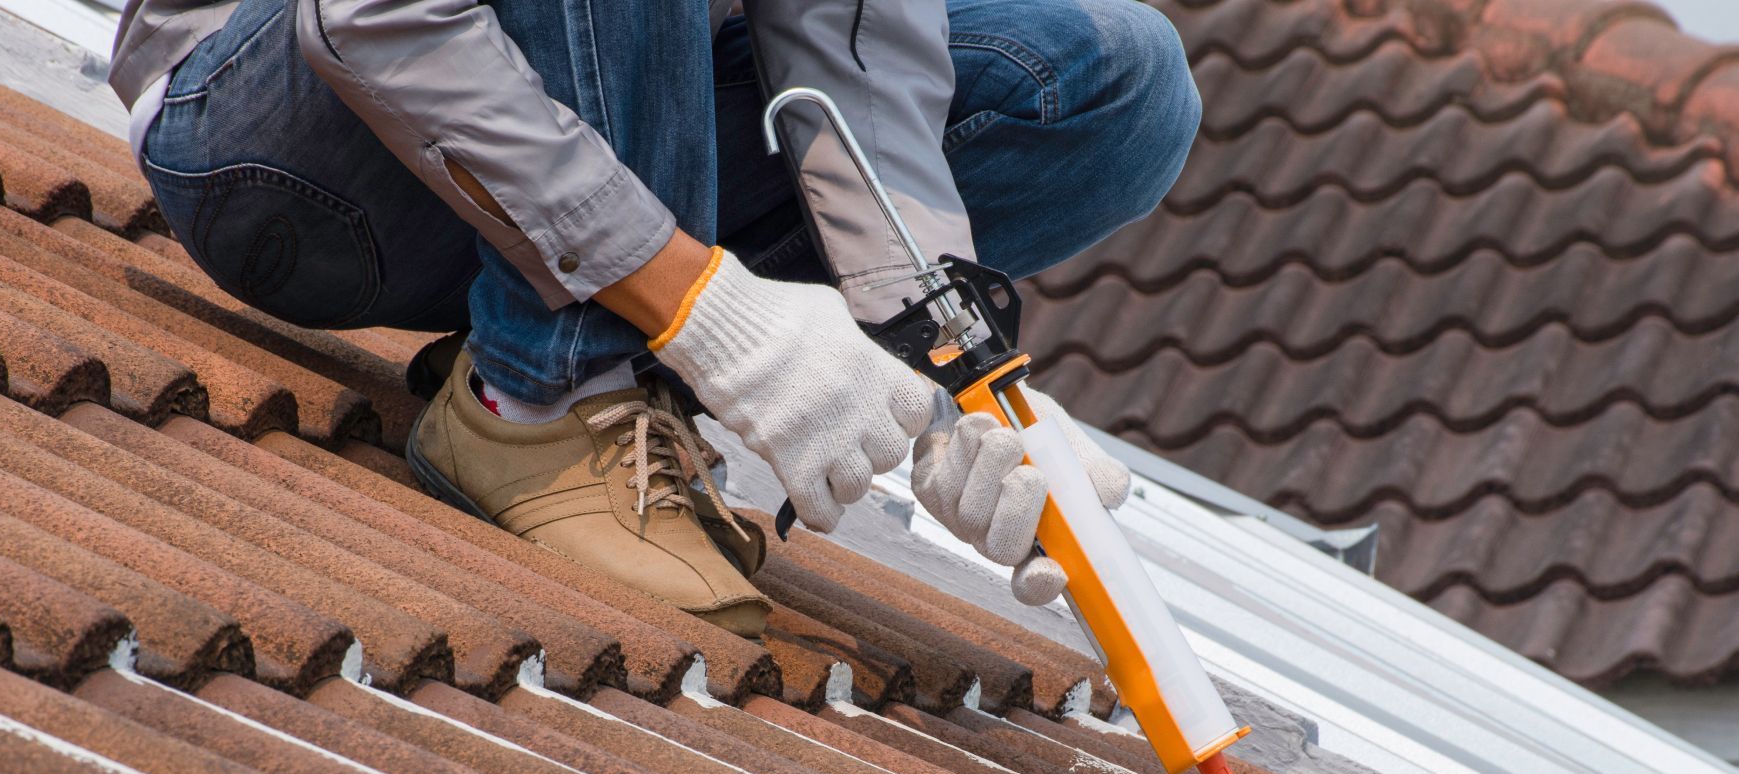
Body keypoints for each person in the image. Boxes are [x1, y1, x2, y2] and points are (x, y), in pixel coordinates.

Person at [110, 0, 1201, 639]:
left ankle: (608, 344)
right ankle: (544, 393)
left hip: (533, 163)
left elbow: (853, 41)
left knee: (1121, 87)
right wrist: (702, 305)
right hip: (282, 148)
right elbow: (382, 23)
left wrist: (951, 359)